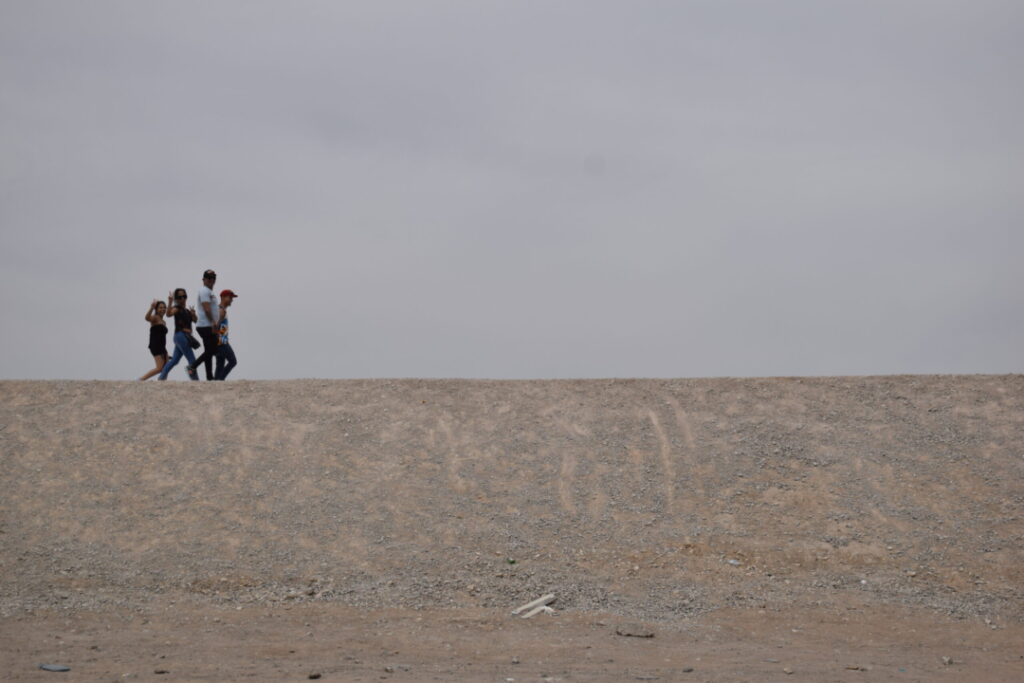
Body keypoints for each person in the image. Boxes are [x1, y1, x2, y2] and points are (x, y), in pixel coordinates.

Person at [158, 288, 199, 381]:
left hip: (185, 337)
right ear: (176, 299)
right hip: (181, 336)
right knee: (192, 360)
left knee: (175, 360)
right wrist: (170, 302)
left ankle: (161, 378)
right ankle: (195, 380)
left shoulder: (187, 311)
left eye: (184, 296)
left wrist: (193, 314)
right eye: (180, 297)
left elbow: (196, 321)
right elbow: (168, 314)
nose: (182, 299)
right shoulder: (177, 308)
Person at [189, 269, 219, 380]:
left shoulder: (209, 292)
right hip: (206, 325)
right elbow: (206, 309)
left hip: (207, 325)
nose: (211, 280)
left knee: (209, 351)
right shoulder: (204, 291)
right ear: (204, 279)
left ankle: (209, 377)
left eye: (213, 278)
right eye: (208, 278)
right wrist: (213, 322)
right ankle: (193, 366)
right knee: (213, 349)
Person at [139, 299, 168, 381]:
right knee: (159, 368)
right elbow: (147, 318)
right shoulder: (155, 318)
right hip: (155, 345)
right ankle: (140, 380)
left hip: (162, 346)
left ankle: (162, 381)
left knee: (166, 366)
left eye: (164, 307)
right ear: (156, 309)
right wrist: (151, 307)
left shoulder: (163, 322)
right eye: (160, 307)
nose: (163, 309)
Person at [214, 289, 238, 380]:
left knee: (220, 364)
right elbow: (215, 326)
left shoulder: (221, 310)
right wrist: (218, 339)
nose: (232, 300)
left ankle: (216, 382)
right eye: (230, 297)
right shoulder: (220, 310)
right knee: (233, 361)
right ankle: (220, 379)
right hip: (221, 341)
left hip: (220, 341)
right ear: (223, 297)